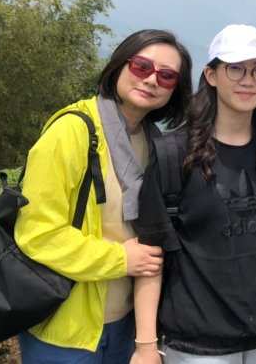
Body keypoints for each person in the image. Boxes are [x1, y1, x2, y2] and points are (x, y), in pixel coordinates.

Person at [132, 24, 256, 364]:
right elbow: (150, 252)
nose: (248, 80)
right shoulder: (175, 153)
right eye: (235, 68)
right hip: (197, 346)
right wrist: (145, 346)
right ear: (211, 74)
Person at [15, 29, 193, 363]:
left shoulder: (156, 144)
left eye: (167, 76)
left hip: (126, 325)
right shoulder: (72, 131)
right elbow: (37, 233)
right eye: (142, 66)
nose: (152, 80)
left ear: (175, 90)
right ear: (119, 67)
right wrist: (120, 259)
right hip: (65, 329)